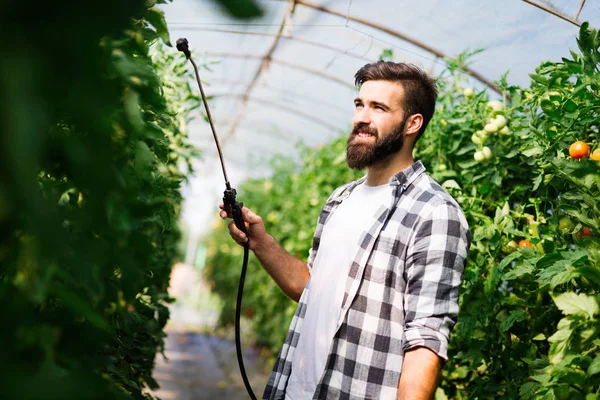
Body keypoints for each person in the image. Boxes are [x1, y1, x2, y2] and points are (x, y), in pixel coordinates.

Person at [219, 61, 471, 400]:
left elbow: (426, 339)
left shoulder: (435, 213)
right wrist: (261, 242)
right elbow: (311, 287)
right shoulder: (341, 199)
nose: (361, 118)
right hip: (293, 390)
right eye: (359, 104)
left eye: (379, 108)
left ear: (412, 123)